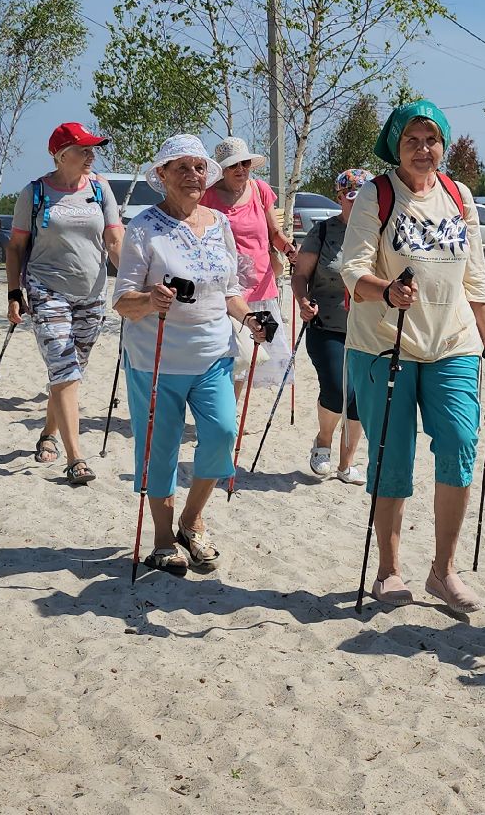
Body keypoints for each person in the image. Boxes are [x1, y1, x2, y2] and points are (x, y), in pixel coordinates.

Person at [337, 100, 485, 613]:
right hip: (382, 345)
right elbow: (352, 268)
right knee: (392, 455)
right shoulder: (378, 193)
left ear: (444, 145)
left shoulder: (460, 195)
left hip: (451, 344)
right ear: (395, 144)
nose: (422, 149)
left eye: (431, 139)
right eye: (411, 139)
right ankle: (389, 571)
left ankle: (443, 571)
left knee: (458, 443)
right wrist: (385, 291)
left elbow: (475, 278)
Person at [113, 135, 270, 575]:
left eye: (199, 167)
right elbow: (122, 300)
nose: (192, 176)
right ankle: (163, 541)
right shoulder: (143, 227)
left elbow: (230, 292)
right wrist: (151, 300)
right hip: (156, 358)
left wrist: (250, 320)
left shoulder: (219, 223)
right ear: (161, 176)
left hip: (213, 353)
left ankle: (191, 519)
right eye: (180, 167)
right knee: (159, 450)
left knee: (221, 434)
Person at [4, 122, 125, 485]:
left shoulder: (101, 189)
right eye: (83, 148)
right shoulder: (35, 192)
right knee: (64, 367)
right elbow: (15, 247)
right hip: (46, 289)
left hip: (92, 294)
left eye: (93, 149)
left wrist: (137, 285)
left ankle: (47, 432)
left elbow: (115, 242)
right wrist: (14, 293)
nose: (91, 154)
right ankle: (76, 458)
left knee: (72, 371)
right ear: (60, 155)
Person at [202, 137, 296, 421]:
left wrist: (288, 248)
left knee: (247, 357)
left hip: (260, 286)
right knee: (229, 354)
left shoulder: (259, 189)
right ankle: (223, 414)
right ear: (222, 169)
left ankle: (228, 414)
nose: (241, 169)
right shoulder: (206, 195)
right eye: (234, 165)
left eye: (245, 163)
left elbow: (274, 233)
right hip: (225, 289)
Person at [292, 167, 370, 484]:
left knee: (361, 398)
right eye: (352, 198)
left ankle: (346, 465)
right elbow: (299, 275)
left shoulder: (379, 234)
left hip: (369, 330)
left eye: (365, 198)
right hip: (327, 325)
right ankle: (323, 442)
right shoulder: (323, 232)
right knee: (338, 390)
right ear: (340, 198)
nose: (359, 204)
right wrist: (302, 301)